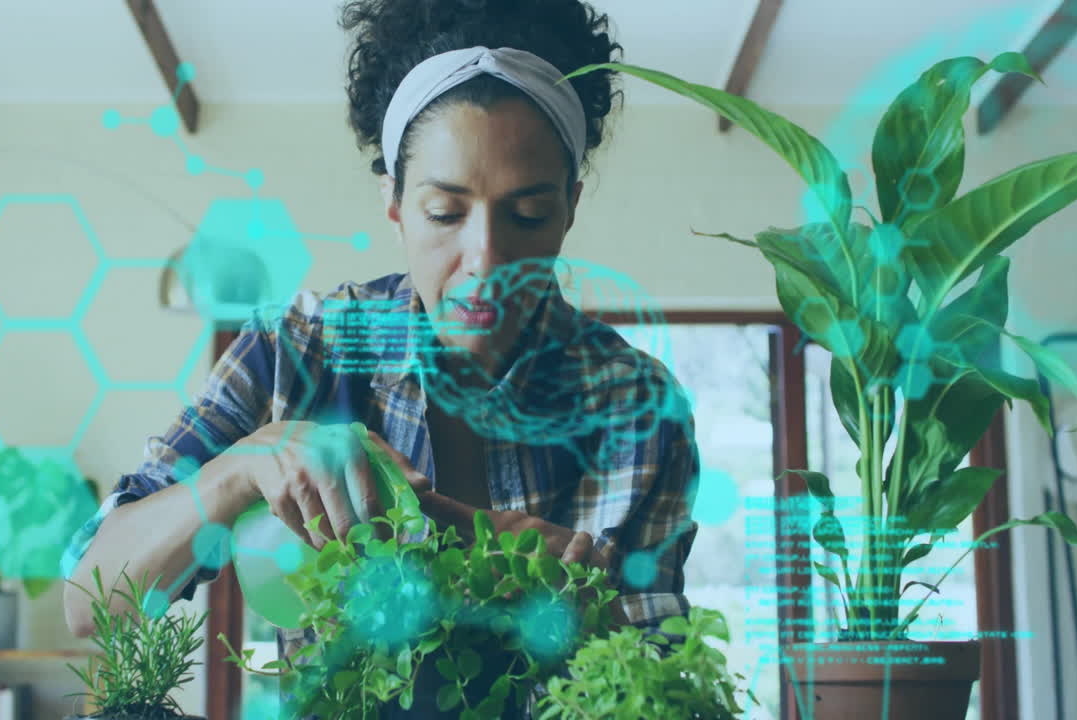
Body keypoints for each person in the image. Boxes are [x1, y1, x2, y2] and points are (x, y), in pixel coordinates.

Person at [63, 0, 699, 715]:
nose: (484, 260)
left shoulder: (635, 405)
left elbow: (659, 682)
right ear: (393, 200)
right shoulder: (300, 350)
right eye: (444, 212)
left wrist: (582, 608)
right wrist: (243, 468)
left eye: (528, 214)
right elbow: (92, 605)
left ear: (570, 206)